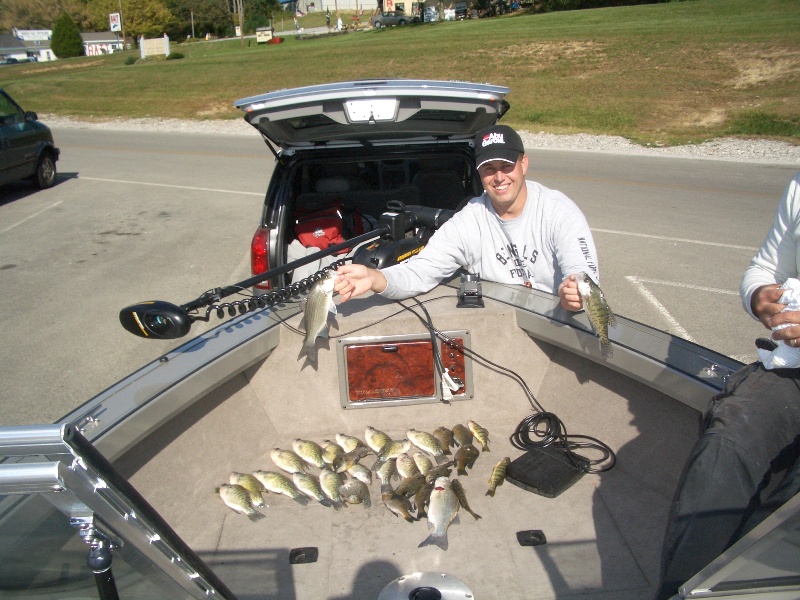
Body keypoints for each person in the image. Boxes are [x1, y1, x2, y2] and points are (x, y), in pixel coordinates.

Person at [656, 172, 800, 599]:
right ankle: (678, 590)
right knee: (725, 445)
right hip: (792, 368)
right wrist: (758, 296)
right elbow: (765, 268)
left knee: (788, 505)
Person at [334, 124, 600, 311]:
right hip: (501, 326)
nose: (499, 177)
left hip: (557, 325)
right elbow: (421, 271)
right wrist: (374, 278)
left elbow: (582, 273)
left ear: (524, 164)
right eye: (489, 168)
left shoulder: (558, 211)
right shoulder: (469, 220)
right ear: (479, 173)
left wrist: (573, 294)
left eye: (506, 166)